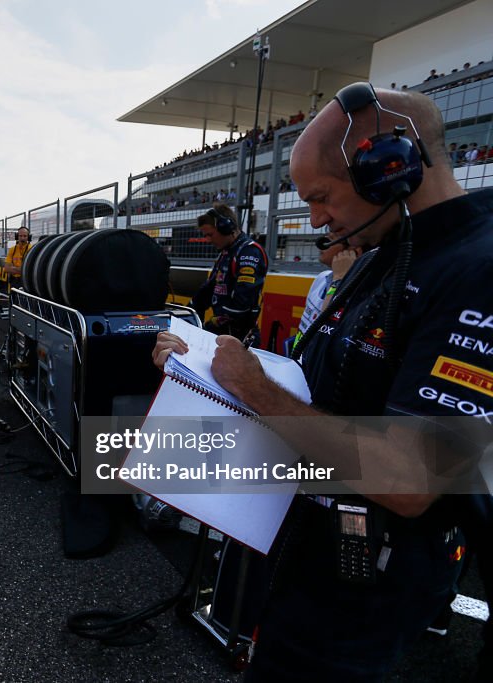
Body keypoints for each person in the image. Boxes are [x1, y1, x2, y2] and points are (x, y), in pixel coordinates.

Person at [154, 84, 492, 680]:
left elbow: (411, 478)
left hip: (366, 585)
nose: (314, 219)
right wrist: (205, 369)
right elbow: (316, 390)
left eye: (320, 197)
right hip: (307, 552)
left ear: (390, 169)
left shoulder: (477, 273)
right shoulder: (383, 256)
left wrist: (255, 389)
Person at [190, 202, 268, 346]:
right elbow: (208, 288)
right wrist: (189, 311)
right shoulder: (226, 253)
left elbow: (242, 305)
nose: (207, 240)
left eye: (210, 234)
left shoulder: (249, 252)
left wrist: (212, 323)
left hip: (240, 338)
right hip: (223, 334)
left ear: (226, 227)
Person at [292, 236, 360, 349]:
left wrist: (338, 280)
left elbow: (324, 323)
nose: (321, 245)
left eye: (329, 240)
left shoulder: (357, 290)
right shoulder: (322, 278)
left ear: (352, 251)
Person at [5, 226, 31, 290]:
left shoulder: (31, 249)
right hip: (14, 281)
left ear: (28, 237)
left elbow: (29, 270)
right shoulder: (12, 249)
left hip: (25, 281)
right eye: (20, 236)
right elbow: (7, 268)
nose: (22, 238)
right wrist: (21, 269)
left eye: (25, 236)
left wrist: (13, 268)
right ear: (17, 237)